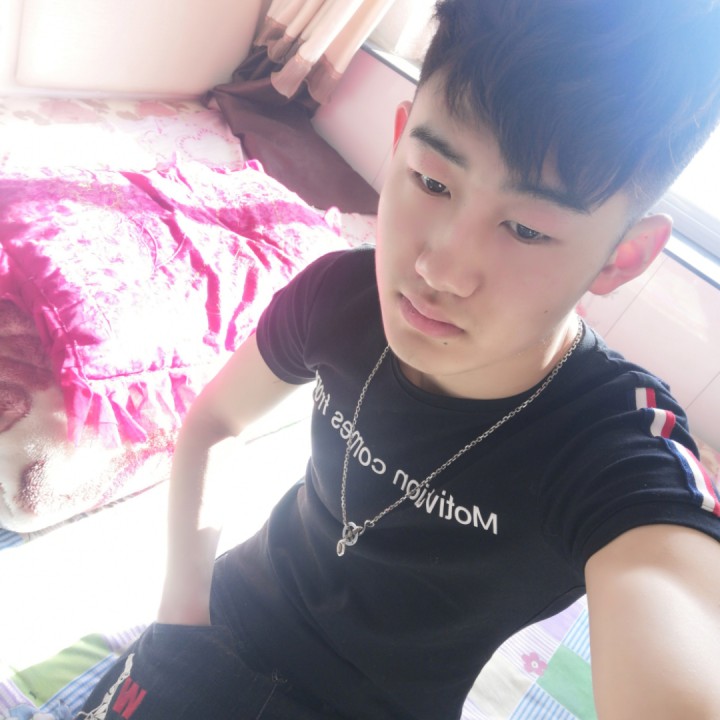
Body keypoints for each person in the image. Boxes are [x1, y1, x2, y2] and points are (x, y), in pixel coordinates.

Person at [77, 0, 720, 718]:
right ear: (399, 139)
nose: (439, 270)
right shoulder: (340, 294)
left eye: (526, 229)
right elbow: (218, 420)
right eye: (433, 182)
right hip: (217, 622)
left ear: (623, 257)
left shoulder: (614, 447)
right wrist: (181, 616)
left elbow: (674, 606)